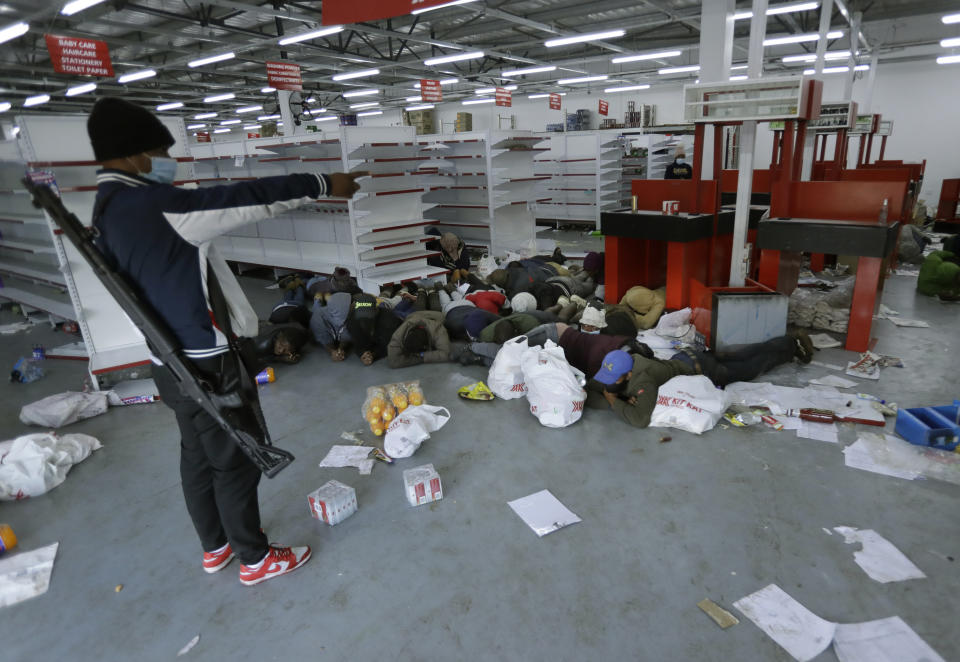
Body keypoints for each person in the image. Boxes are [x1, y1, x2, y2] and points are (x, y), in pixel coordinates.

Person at [86, 97, 365, 585]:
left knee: (196, 456)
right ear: (135, 154)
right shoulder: (157, 205)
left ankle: (216, 547)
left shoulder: (105, 207)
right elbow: (248, 197)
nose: (164, 163)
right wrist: (323, 183)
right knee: (236, 460)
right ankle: (255, 559)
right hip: (209, 362)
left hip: (166, 362)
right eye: (158, 151)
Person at [586, 332, 813, 428]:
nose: (608, 384)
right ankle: (789, 340)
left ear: (628, 375)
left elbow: (640, 419)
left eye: (613, 380)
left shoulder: (642, 381)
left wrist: (613, 399)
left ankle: (792, 348)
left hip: (702, 371)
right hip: (687, 356)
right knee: (742, 354)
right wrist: (617, 394)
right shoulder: (628, 360)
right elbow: (593, 387)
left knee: (750, 367)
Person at [344, 293, 401, 365]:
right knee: (384, 296)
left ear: (376, 311)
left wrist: (374, 355)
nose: (365, 320)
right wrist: (362, 353)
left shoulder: (389, 320)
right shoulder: (353, 319)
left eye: (368, 316)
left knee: (402, 304)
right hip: (381, 303)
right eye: (362, 316)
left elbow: (389, 344)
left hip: (396, 314)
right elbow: (357, 342)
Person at [387, 310, 451, 368]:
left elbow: (446, 354)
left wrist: (421, 356)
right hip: (413, 315)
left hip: (435, 315)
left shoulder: (438, 330)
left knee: (435, 306)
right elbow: (394, 362)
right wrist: (420, 357)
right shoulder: (399, 334)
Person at [309, 291, 352, 361]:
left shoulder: (348, 317)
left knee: (331, 305)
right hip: (319, 314)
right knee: (316, 307)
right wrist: (332, 351)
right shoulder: (317, 320)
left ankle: (327, 298)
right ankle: (318, 299)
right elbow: (325, 340)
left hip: (331, 311)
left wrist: (341, 349)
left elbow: (346, 336)